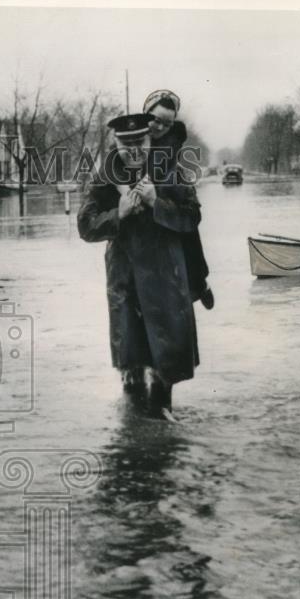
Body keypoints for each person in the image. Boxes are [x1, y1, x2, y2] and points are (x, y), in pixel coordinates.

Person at [77, 113, 202, 420]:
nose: (133, 150)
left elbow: (192, 217)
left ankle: (162, 436)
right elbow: (85, 226)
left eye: (140, 142)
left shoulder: (171, 171)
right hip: (126, 282)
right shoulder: (104, 177)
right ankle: (133, 445)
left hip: (166, 281)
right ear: (114, 143)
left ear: (150, 141)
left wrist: (156, 202)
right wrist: (117, 214)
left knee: (165, 362)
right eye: (125, 143)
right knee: (130, 363)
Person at [143, 89, 214, 310]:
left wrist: (156, 202)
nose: (160, 127)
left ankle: (198, 283)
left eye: (167, 124)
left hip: (169, 251)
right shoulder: (127, 143)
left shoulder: (175, 165)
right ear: (145, 113)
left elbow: (193, 216)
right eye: (155, 120)